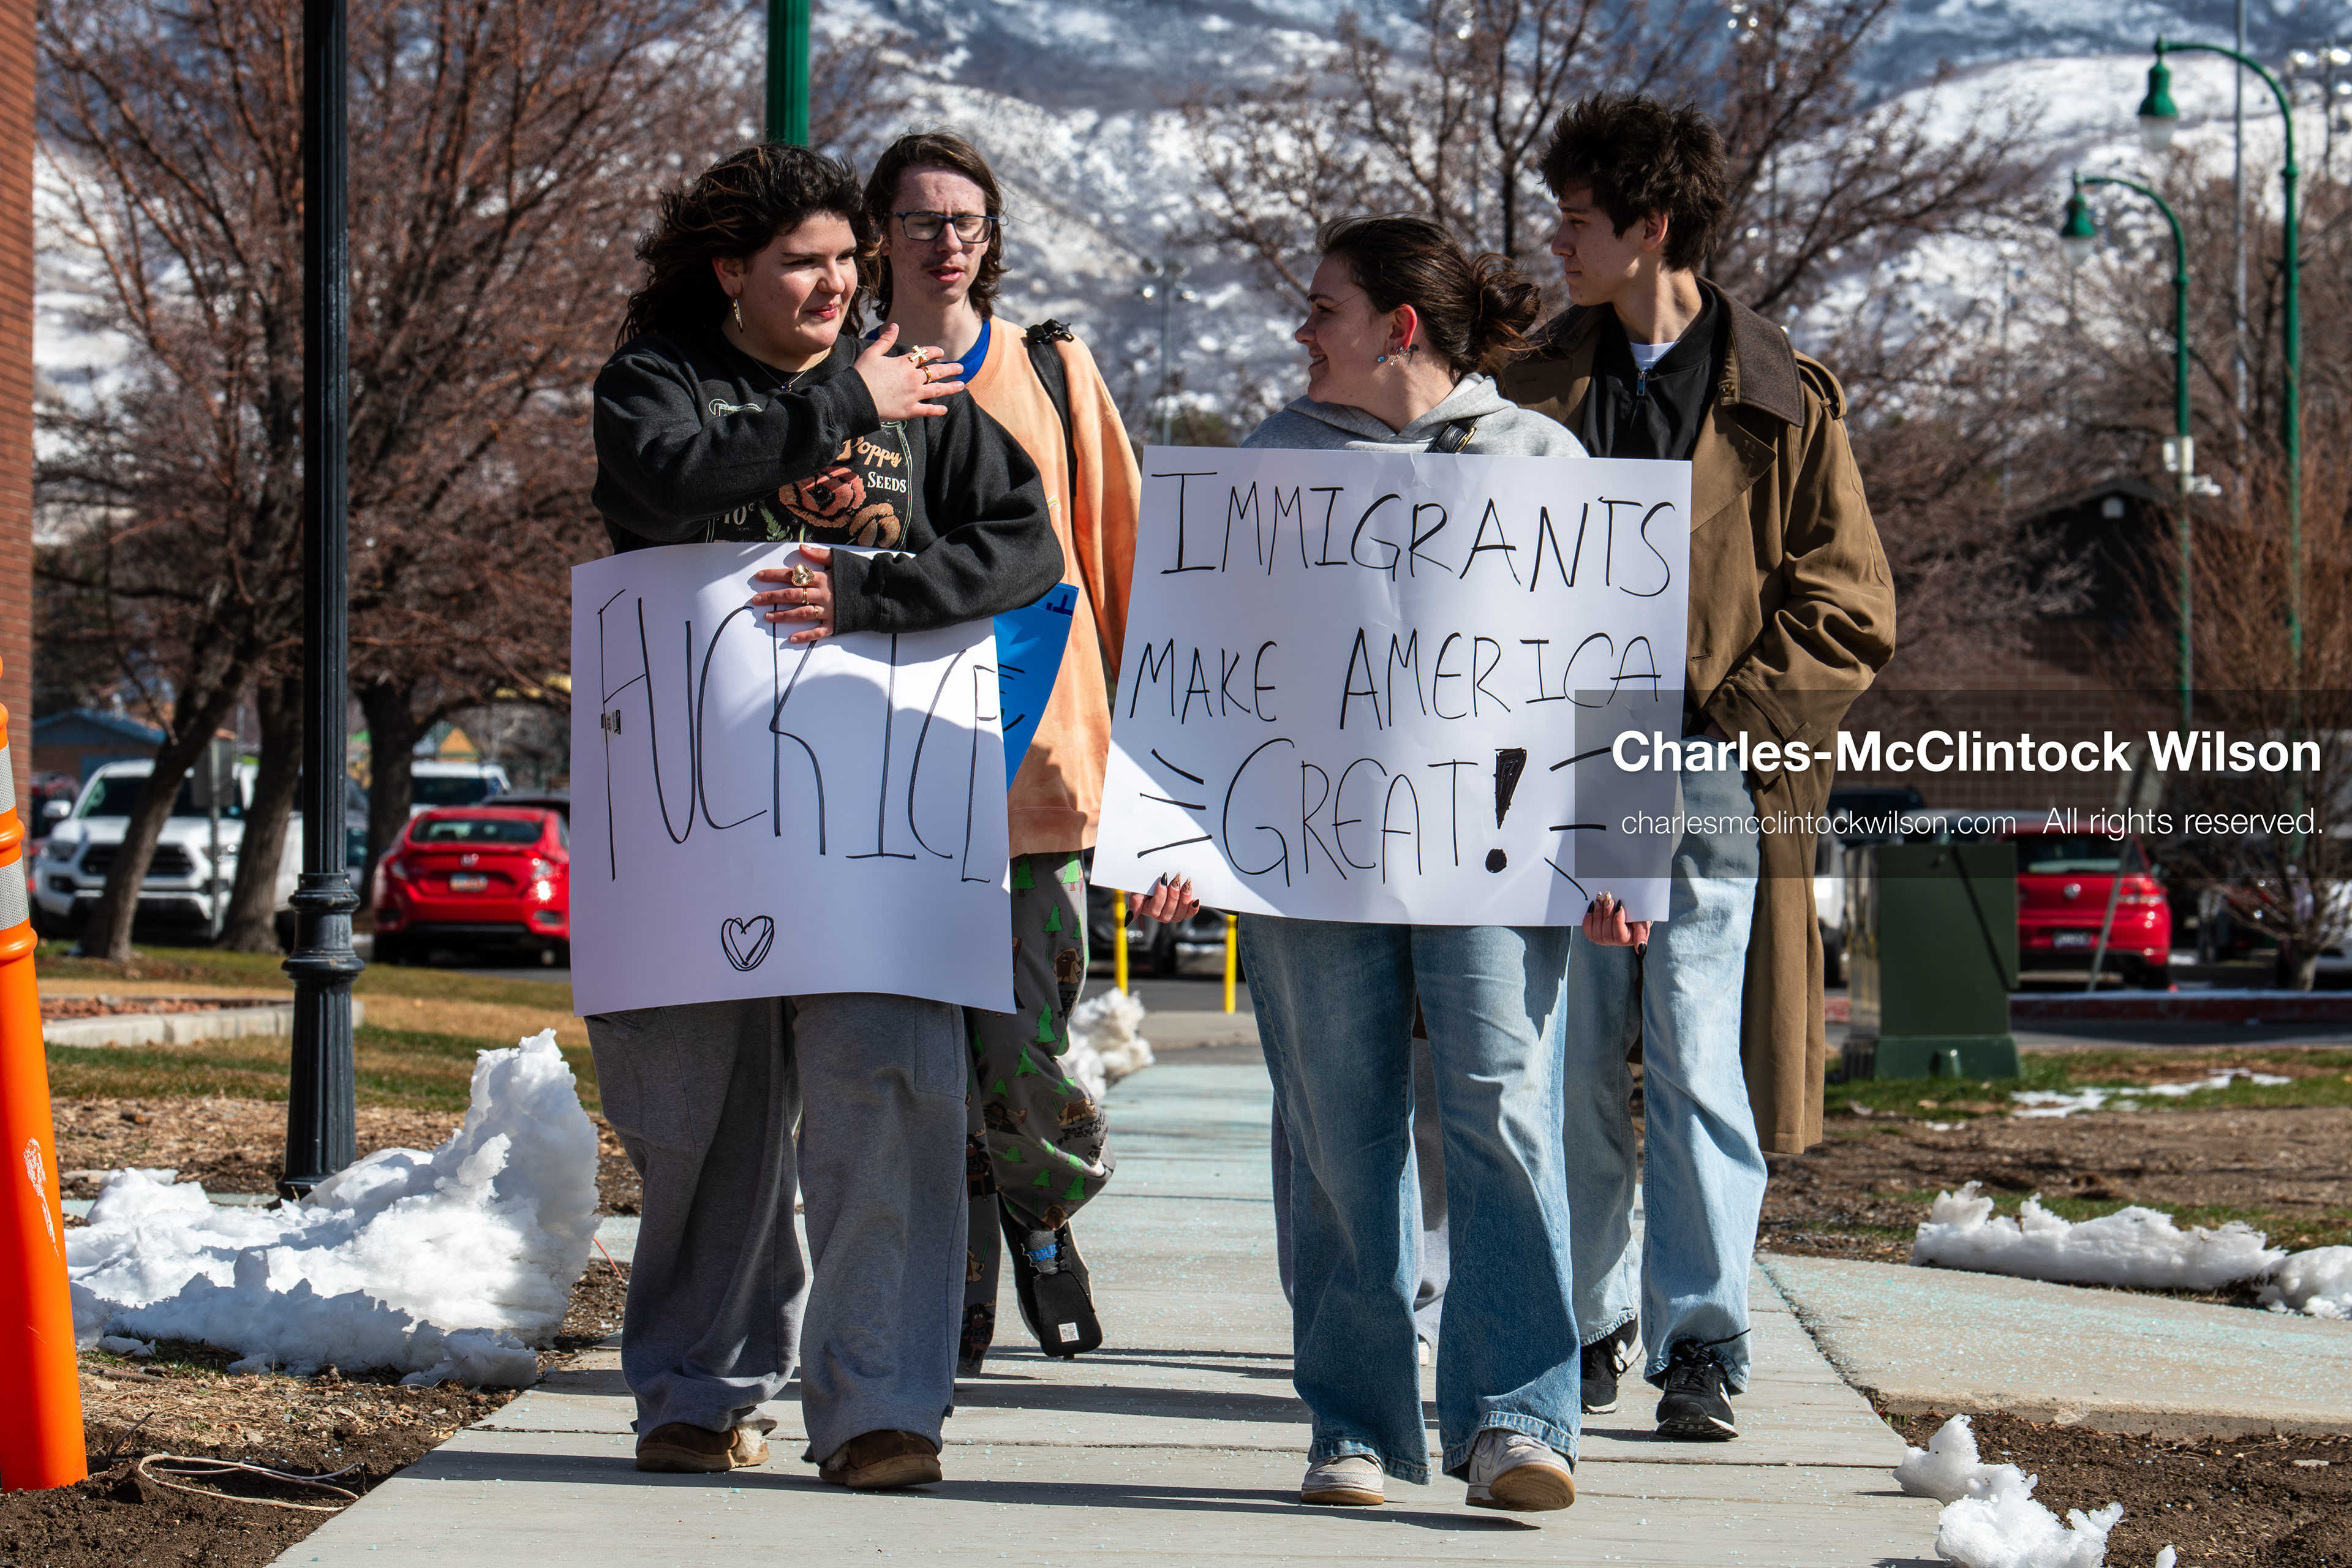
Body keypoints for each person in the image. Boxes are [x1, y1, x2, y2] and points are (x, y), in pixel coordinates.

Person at [587, 143, 1063, 1490]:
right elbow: (659, 482)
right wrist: (835, 402)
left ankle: (877, 1407)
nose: (838, 283)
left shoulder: (926, 397)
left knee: (887, 1087)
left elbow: (1023, 542)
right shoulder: (662, 380)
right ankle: (698, 1384)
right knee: (700, 1108)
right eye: (806, 262)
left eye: (850, 263)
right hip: (696, 820)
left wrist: (873, 598)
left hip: (877, 817)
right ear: (730, 269)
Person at [1496, 94, 1896, 1440]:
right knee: (1572, 1058)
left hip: (1718, 771)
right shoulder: (1525, 386)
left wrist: (1719, 738)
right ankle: (1589, 1312)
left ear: (1649, 228)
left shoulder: (1792, 400)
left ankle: (1704, 1338)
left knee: (1695, 1052)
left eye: (1577, 219)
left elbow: (1850, 607)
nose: (1558, 242)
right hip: (1558, 769)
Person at [1238, 214, 1589, 1513]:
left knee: (1499, 1100)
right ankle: (1355, 1424)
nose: (1300, 333)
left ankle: (1518, 1415)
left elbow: (1604, 672)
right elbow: (1214, 674)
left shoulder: (1542, 459)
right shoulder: (1271, 464)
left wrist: (1625, 847)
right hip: (1313, 853)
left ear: (1398, 329)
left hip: (1497, 850)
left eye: (1320, 309)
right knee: (1336, 1122)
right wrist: (1174, 833)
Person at [859, 131, 1184, 1374]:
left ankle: (1048, 1198)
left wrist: (1160, 793)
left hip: (1041, 778)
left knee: (1021, 1049)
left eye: (968, 219)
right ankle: (962, 1292)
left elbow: (1130, 566)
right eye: (922, 218)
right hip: (884, 783)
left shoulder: (1053, 371)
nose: (947, 240)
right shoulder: (845, 383)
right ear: (878, 234)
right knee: (917, 1057)